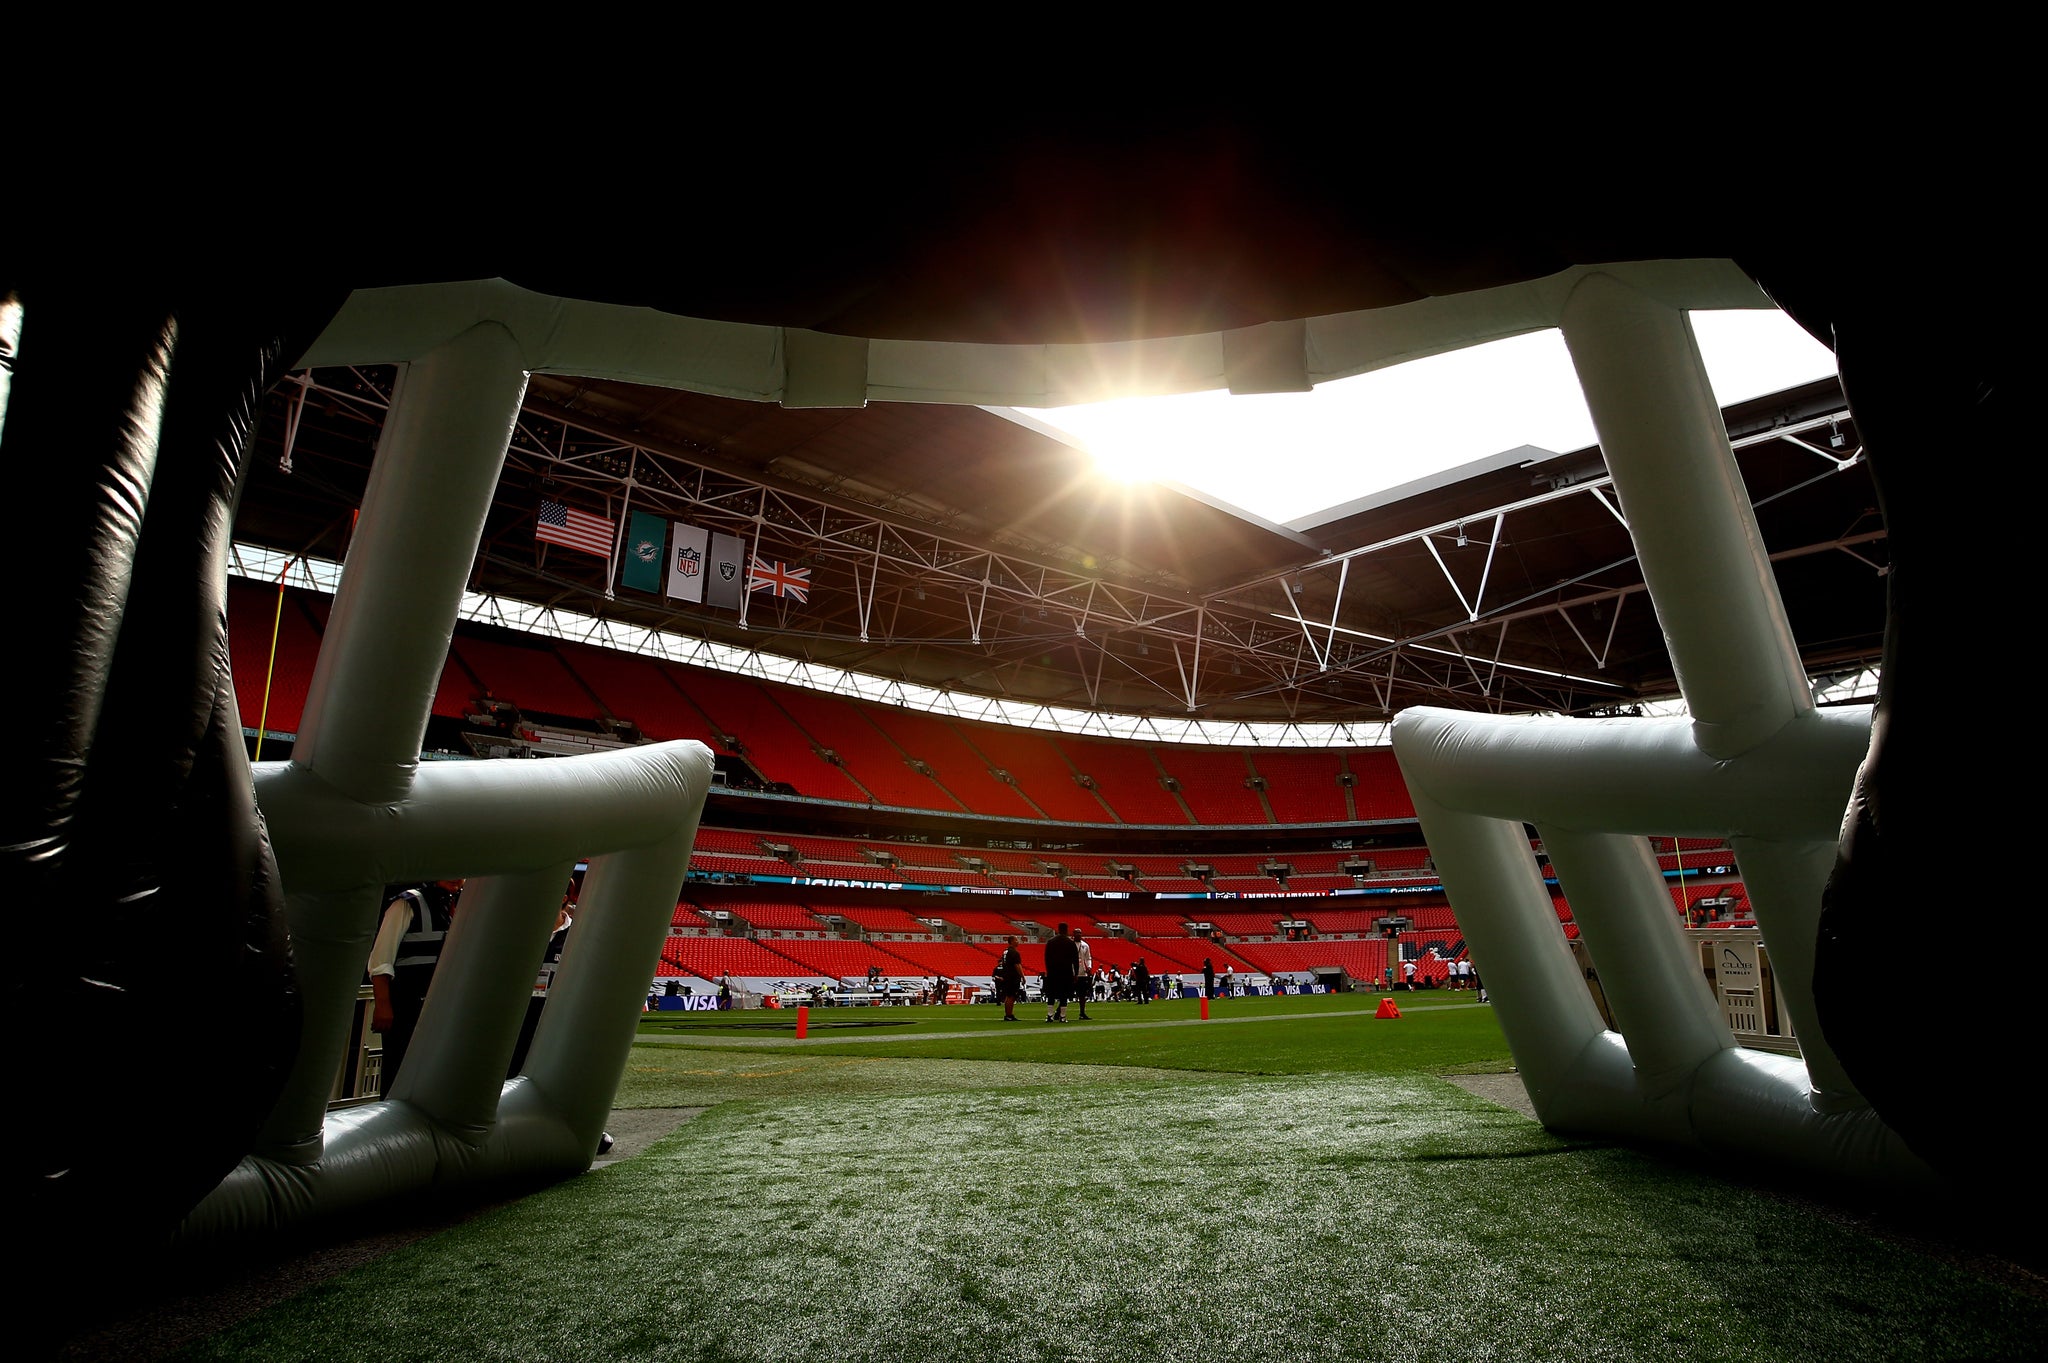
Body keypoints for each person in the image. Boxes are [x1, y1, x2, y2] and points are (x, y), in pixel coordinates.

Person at [368, 878, 463, 1092]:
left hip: (443, 1010)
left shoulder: (465, 907)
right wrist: (383, 1005)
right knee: (399, 1073)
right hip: (408, 1007)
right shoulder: (407, 903)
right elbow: (381, 960)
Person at [1042, 922, 1078, 1023]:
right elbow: (1075, 960)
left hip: (1053, 972)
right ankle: (1062, 1016)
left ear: (1058, 929)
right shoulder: (1070, 943)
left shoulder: (1051, 942)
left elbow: (1046, 958)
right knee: (1064, 994)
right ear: (1066, 930)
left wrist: (1049, 970)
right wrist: (1075, 974)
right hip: (1066, 972)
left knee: (1051, 994)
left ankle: (1049, 1016)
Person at [997, 936, 1024, 1021]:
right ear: (1012, 941)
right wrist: (1022, 976)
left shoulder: (1005, 951)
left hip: (1007, 976)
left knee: (1009, 996)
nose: (1018, 942)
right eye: (1016, 940)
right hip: (1013, 976)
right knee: (1011, 996)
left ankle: (1008, 1014)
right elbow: (1017, 965)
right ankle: (1009, 1015)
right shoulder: (1014, 952)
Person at [1072, 930, 1094, 1020]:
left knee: (1082, 995)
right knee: (1066, 993)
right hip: (1072, 973)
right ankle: (1059, 1012)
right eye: (1077, 933)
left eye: (1080, 933)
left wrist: (1089, 966)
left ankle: (1082, 1013)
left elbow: (1088, 958)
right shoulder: (1070, 944)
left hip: (1082, 973)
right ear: (1073, 934)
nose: (1079, 934)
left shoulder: (1085, 945)